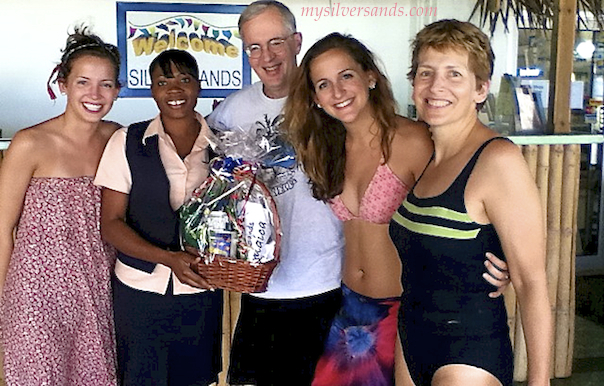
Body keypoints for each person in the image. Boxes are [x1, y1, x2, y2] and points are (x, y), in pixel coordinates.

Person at [283, 32, 511, 386]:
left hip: (405, 309)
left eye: (346, 76)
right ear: (314, 98)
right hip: (350, 310)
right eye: (324, 84)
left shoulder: (415, 140)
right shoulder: (327, 148)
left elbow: (473, 195)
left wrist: (504, 258)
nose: (338, 92)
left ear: (370, 76)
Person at [388, 20, 552, 386]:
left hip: (469, 351)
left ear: (481, 88)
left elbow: (532, 282)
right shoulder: (430, 156)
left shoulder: (498, 160)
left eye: (454, 74)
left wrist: (540, 382)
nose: (436, 86)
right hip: (411, 339)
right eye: (425, 73)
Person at [205, 2, 344, 385]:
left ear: (297, 41)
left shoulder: (331, 101)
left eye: (276, 42)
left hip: (327, 283)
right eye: (254, 47)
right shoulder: (232, 111)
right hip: (262, 288)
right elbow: (210, 185)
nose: (266, 56)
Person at [0, 26, 120, 385]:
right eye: (83, 82)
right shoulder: (30, 143)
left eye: (106, 84)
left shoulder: (117, 138)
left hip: (98, 290)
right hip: (36, 297)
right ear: (63, 84)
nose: (94, 94)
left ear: (117, 89)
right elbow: (2, 228)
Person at [95, 49, 223, 386]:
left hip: (201, 292)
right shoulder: (127, 141)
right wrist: (168, 259)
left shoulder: (224, 147)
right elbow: (111, 224)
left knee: (194, 379)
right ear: (151, 89)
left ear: (199, 85)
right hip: (138, 293)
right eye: (163, 81)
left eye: (184, 79)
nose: (175, 90)